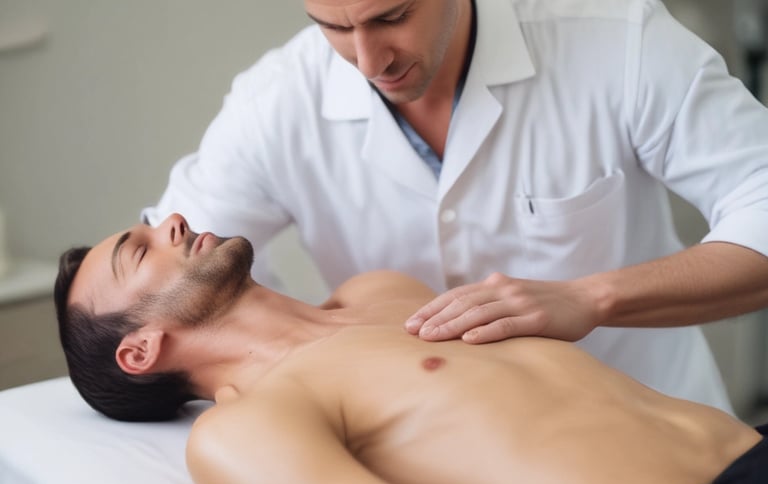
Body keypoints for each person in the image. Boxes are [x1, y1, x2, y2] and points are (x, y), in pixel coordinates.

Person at [55, 214, 768, 484]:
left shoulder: (385, 292)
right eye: (140, 250)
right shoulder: (247, 430)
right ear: (139, 351)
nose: (173, 221)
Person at [141, 0, 768, 412]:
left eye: (393, 16)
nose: (369, 61)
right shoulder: (274, 103)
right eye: (334, 27)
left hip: (656, 427)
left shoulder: (618, 40)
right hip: (451, 468)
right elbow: (157, 290)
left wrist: (591, 298)